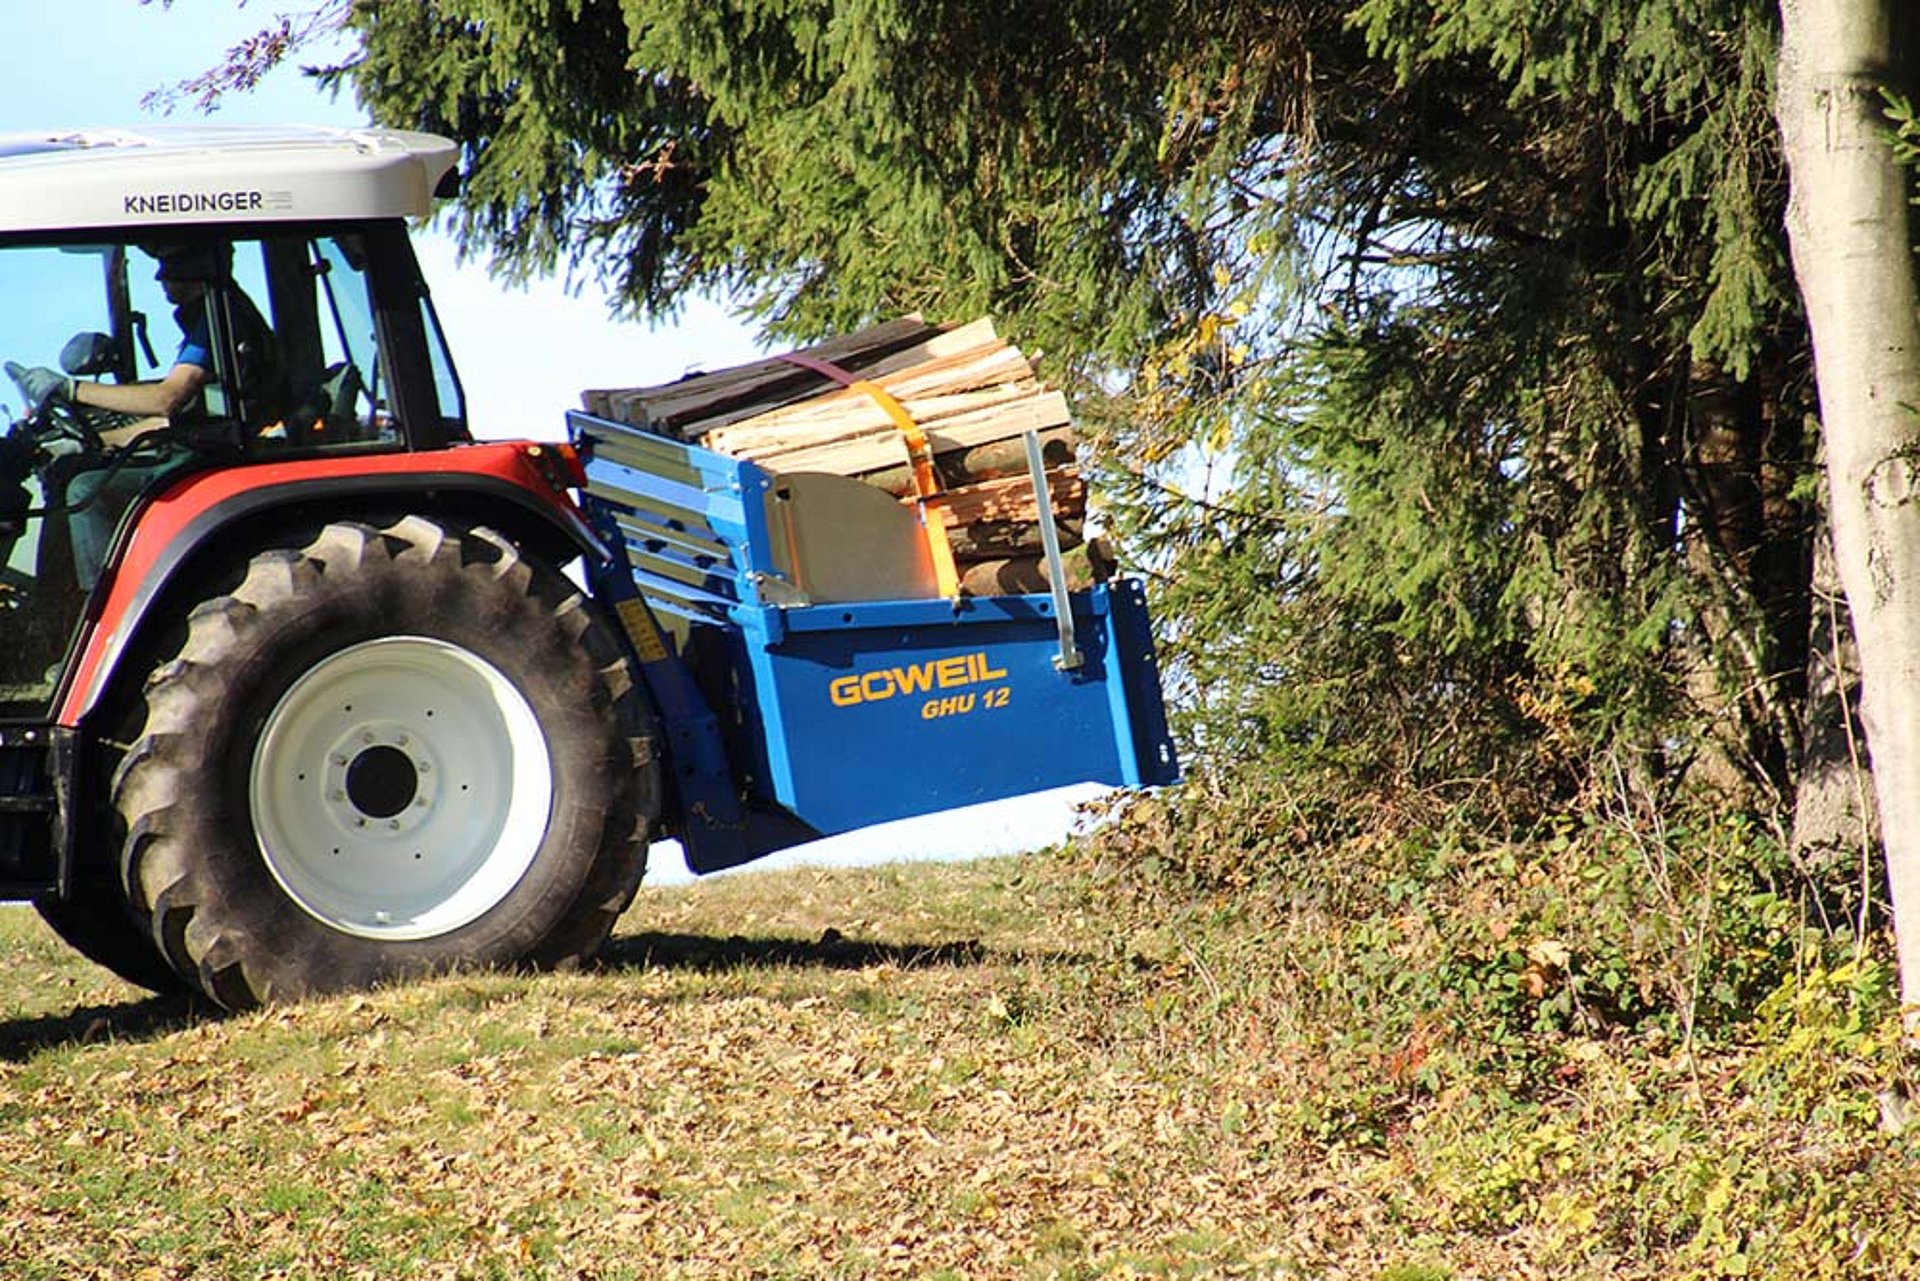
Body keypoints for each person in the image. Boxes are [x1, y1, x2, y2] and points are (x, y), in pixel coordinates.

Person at [4, 243, 283, 585]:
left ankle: (90, 600)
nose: (159, 277)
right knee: (73, 466)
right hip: (209, 442)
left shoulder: (218, 318)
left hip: (219, 453)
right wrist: (88, 442)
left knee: (86, 488)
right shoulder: (215, 315)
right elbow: (175, 424)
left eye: (168, 267)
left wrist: (70, 389)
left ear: (193, 269)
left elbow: (166, 399)